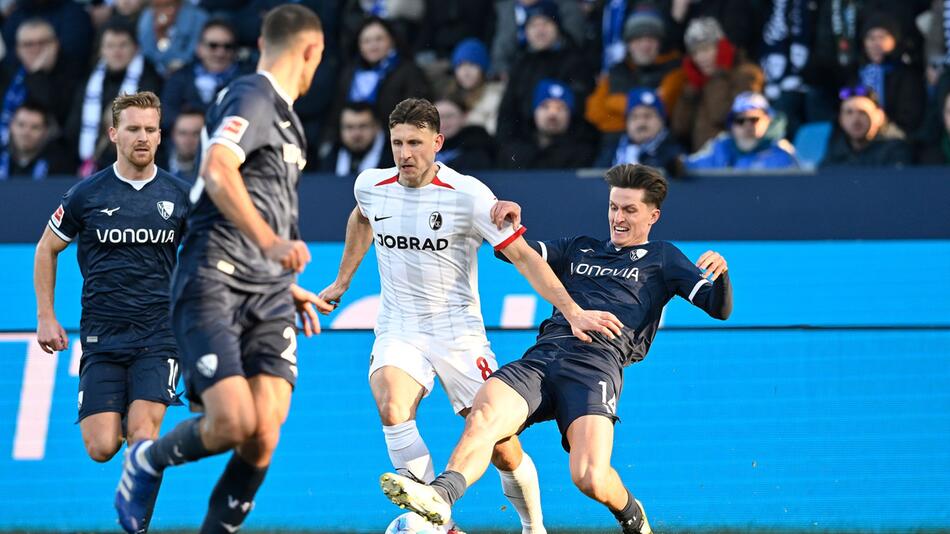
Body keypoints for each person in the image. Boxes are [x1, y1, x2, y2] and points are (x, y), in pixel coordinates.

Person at [319, 97, 623, 534]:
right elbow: (362, 218)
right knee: (391, 403)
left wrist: (572, 311)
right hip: (399, 326)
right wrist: (342, 280)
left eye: (416, 143)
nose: (405, 154)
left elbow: (523, 257)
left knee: (502, 446)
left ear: (438, 142)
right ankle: (441, 521)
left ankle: (533, 526)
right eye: (398, 143)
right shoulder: (370, 184)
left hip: (458, 333)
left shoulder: (469, 195)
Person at [378, 163, 734, 534]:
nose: (618, 217)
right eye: (614, 207)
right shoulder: (580, 248)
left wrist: (721, 274)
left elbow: (718, 308)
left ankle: (633, 516)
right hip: (543, 358)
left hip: (596, 366)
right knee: (482, 416)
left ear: (653, 215)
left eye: (630, 210)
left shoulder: (663, 257)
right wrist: (505, 220)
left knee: (589, 477)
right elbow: (511, 252)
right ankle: (441, 495)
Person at [113, 6, 331, 534]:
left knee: (265, 432)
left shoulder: (290, 122)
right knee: (233, 422)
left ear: (261, 40)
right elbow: (216, 169)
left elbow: (260, 201)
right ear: (311, 52)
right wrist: (272, 244)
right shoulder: (251, 95)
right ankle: (145, 460)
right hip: (215, 278)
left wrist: (284, 279)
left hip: (268, 289)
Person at [33, 93, 188, 476]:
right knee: (101, 447)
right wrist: (46, 316)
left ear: (159, 135)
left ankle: (135, 524)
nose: (142, 137)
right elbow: (46, 249)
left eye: (150, 130)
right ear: (114, 133)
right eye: (133, 129)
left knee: (142, 435)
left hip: (159, 334)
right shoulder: (88, 194)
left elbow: (211, 253)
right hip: (104, 336)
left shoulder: (181, 196)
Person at [65, 20, 163, 177]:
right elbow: (74, 125)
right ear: (101, 50)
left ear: (136, 48)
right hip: (91, 165)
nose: (116, 52)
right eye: (110, 46)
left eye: (123, 45)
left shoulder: (151, 79)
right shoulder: (89, 81)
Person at [160, 18, 246, 130]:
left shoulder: (244, 81)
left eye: (227, 46)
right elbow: (165, 115)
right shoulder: (179, 77)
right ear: (199, 48)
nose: (220, 53)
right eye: (213, 46)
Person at [685, 91, 799, 171]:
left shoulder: (782, 153)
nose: (747, 125)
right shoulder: (720, 148)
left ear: (768, 120)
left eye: (754, 119)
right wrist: (675, 164)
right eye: (740, 120)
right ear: (732, 124)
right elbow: (690, 166)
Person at [498, 79, 597, 169]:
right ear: (534, 111)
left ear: (570, 115)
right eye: (545, 107)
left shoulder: (582, 154)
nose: (552, 114)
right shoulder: (513, 151)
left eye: (560, 108)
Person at [594, 88, 684, 176]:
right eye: (634, 117)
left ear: (661, 120)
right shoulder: (613, 151)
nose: (641, 122)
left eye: (648, 116)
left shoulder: (672, 150)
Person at [821, 85, 913, 167]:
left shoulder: (894, 150)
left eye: (863, 113)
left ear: (879, 116)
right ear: (840, 119)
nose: (855, 119)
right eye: (849, 113)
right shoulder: (835, 151)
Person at [0, 101, 74, 179]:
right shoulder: (2, 155)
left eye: (35, 127)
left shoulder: (60, 163)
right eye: (21, 125)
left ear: (45, 132)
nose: (26, 133)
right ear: (11, 126)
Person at [317, 101, 393, 176]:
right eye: (349, 127)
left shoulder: (394, 158)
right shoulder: (330, 157)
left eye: (363, 126)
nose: (356, 134)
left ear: (377, 127)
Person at [156, 108, 203, 182]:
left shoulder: (212, 169)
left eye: (196, 133)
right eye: (183, 133)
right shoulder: (156, 164)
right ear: (173, 134)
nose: (188, 140)